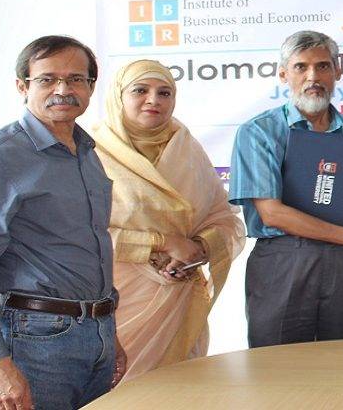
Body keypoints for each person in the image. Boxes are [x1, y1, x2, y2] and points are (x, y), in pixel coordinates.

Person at [0, 35, 127, 409]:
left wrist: (106, 332)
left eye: (75, 79)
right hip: (36, 339)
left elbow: (88, 251)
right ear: (22, 86)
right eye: (47, 79)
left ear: (91, 86)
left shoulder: (86, 152)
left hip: (98, 333)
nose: (63, 90)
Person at [229, 30, 343, 348]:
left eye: (323, 66)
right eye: (301, 67)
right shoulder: (259, 131)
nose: (313, 77)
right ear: (284, 74)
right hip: (283, 258)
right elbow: (272, 214)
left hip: (342, 260)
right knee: (277, 365)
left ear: (337, 71)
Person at [92, 59, 245, 380]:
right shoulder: (92, 153)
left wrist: (198, 248)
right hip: (116, 299)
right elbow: (82, 233)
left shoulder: (187, 149)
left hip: (179, 297)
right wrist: (160, 244)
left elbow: (223, 217)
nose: (154, 100)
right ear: (118, 96)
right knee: (117, 390)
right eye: (140, 90)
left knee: (179, 389)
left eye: (165, 93)